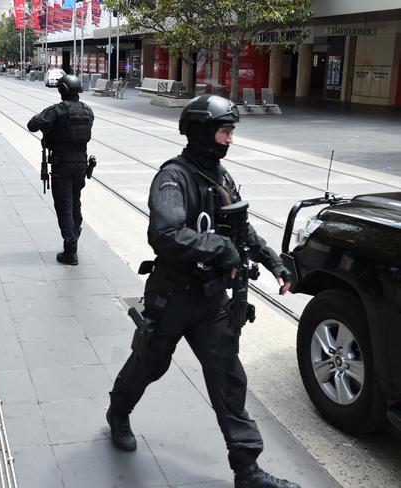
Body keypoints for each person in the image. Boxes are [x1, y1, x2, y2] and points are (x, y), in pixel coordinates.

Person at [106, 94, 298, 488]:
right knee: (149, 364)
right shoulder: (172, 178)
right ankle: (118, 412)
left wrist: (274, 261)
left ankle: (247, 469)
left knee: (228, 378)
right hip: (173, 295)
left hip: (212, 300)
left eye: (230, 132)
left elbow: (239, 227)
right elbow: (167, 234)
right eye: (225, 131)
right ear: (201, 132)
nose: (230, 140)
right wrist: (221, 248)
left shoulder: (220, 176)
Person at [27, 74, 94, 265]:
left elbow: (32, 125)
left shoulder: (57, 110)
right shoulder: (88, 111)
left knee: (64, 206)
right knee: (75, 202)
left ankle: (70, 248)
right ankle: (74, 233)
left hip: (62, 164)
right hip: (81, 164)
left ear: (61, 90)